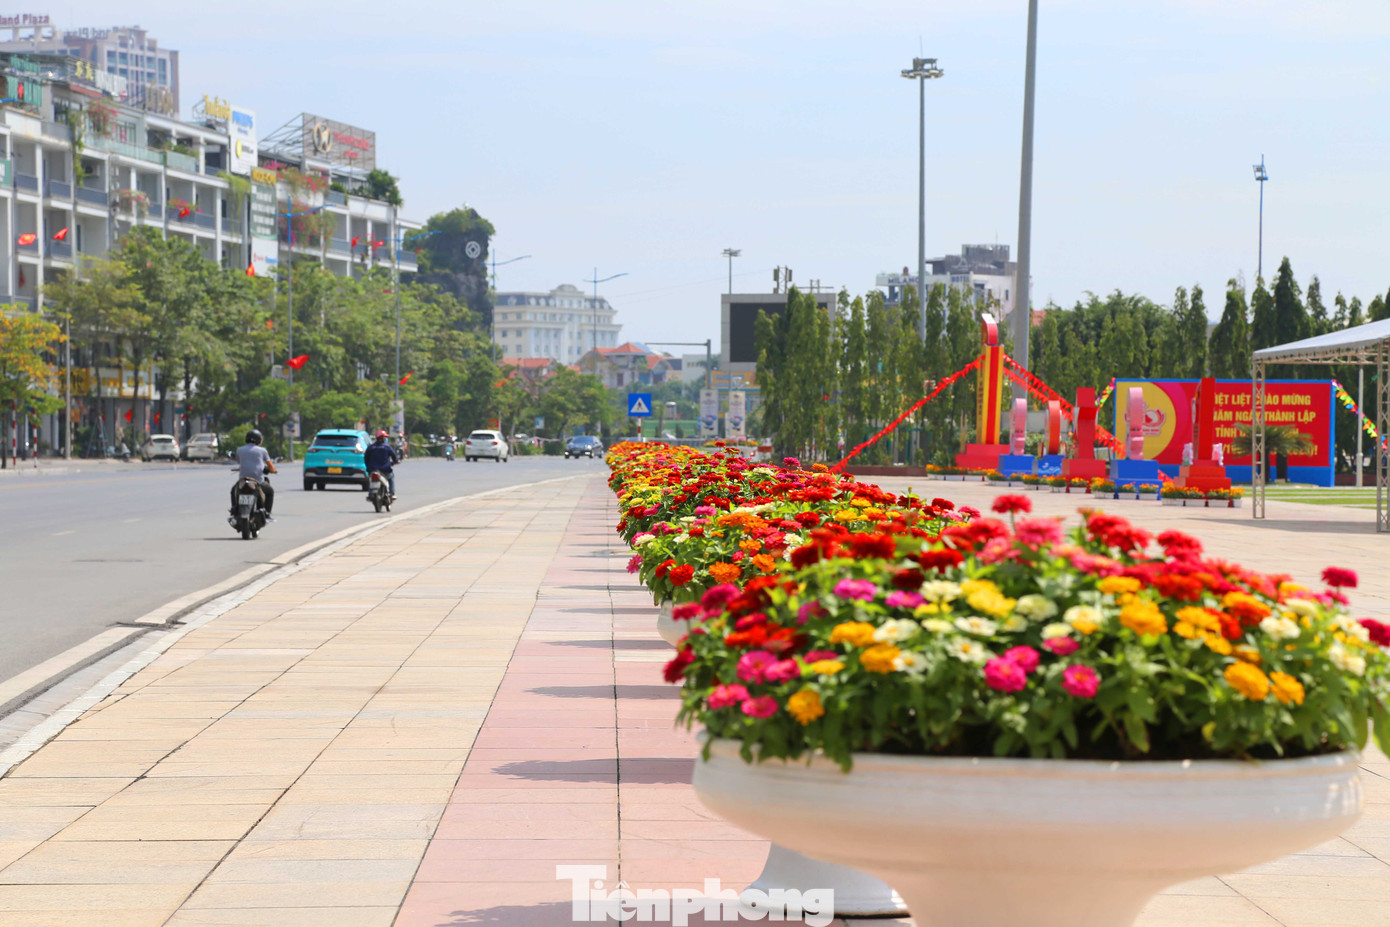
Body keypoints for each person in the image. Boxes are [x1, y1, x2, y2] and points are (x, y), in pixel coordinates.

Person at [231, 428, 277, 520]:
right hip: (258, 481)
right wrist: (273, 470)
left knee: (233, 491)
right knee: (270, 491)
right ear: (259, 440)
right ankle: (267, 514)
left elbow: (239, 461)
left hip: (243, 481)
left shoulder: (240, 450)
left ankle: (234, 511)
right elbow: (270, 466)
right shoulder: (262, 450)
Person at [365, 430, 400, 499]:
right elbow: (394, 457)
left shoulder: (370, 447)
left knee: (371, 480)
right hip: (385, 470)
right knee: (391, 477)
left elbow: (366, 459)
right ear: (381, 438)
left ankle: (370, 493)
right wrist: (395, 461)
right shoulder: (387, 447)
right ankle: (392, 493)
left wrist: (368, 467)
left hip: (372, 469)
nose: (386, 438)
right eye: (385, 437)